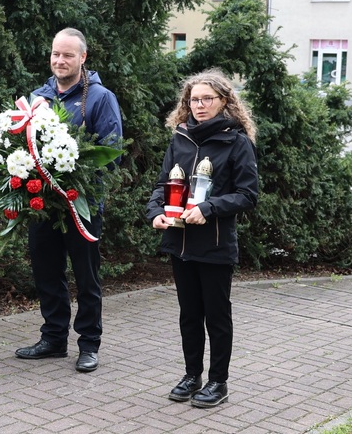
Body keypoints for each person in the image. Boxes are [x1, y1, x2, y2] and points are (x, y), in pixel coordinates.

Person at [145, 69, 259, 408]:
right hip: (180, 243)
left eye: (207, 99)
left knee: (216, 317)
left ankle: (218, 382)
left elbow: (248, 195)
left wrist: (209, 208)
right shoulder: (180, 139)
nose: (200, 105)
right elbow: (162, 186)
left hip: (215, 245)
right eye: (194, 99)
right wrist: (155, 212)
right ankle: (191, 375)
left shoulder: (236, 142)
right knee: (189, 314)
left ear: (224, 101)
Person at [14, 28, 123, 373]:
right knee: (47, 272)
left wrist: (74, 175)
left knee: (86, 277)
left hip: (82, 204)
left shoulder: (101, 98)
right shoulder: (37, 98)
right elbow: (21, 147)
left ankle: (89, 344)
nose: (60, 61)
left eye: (68, 55)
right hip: (42, 205)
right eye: (55, 54)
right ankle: (53, 338)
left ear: (83, 58)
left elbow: (113, 151)